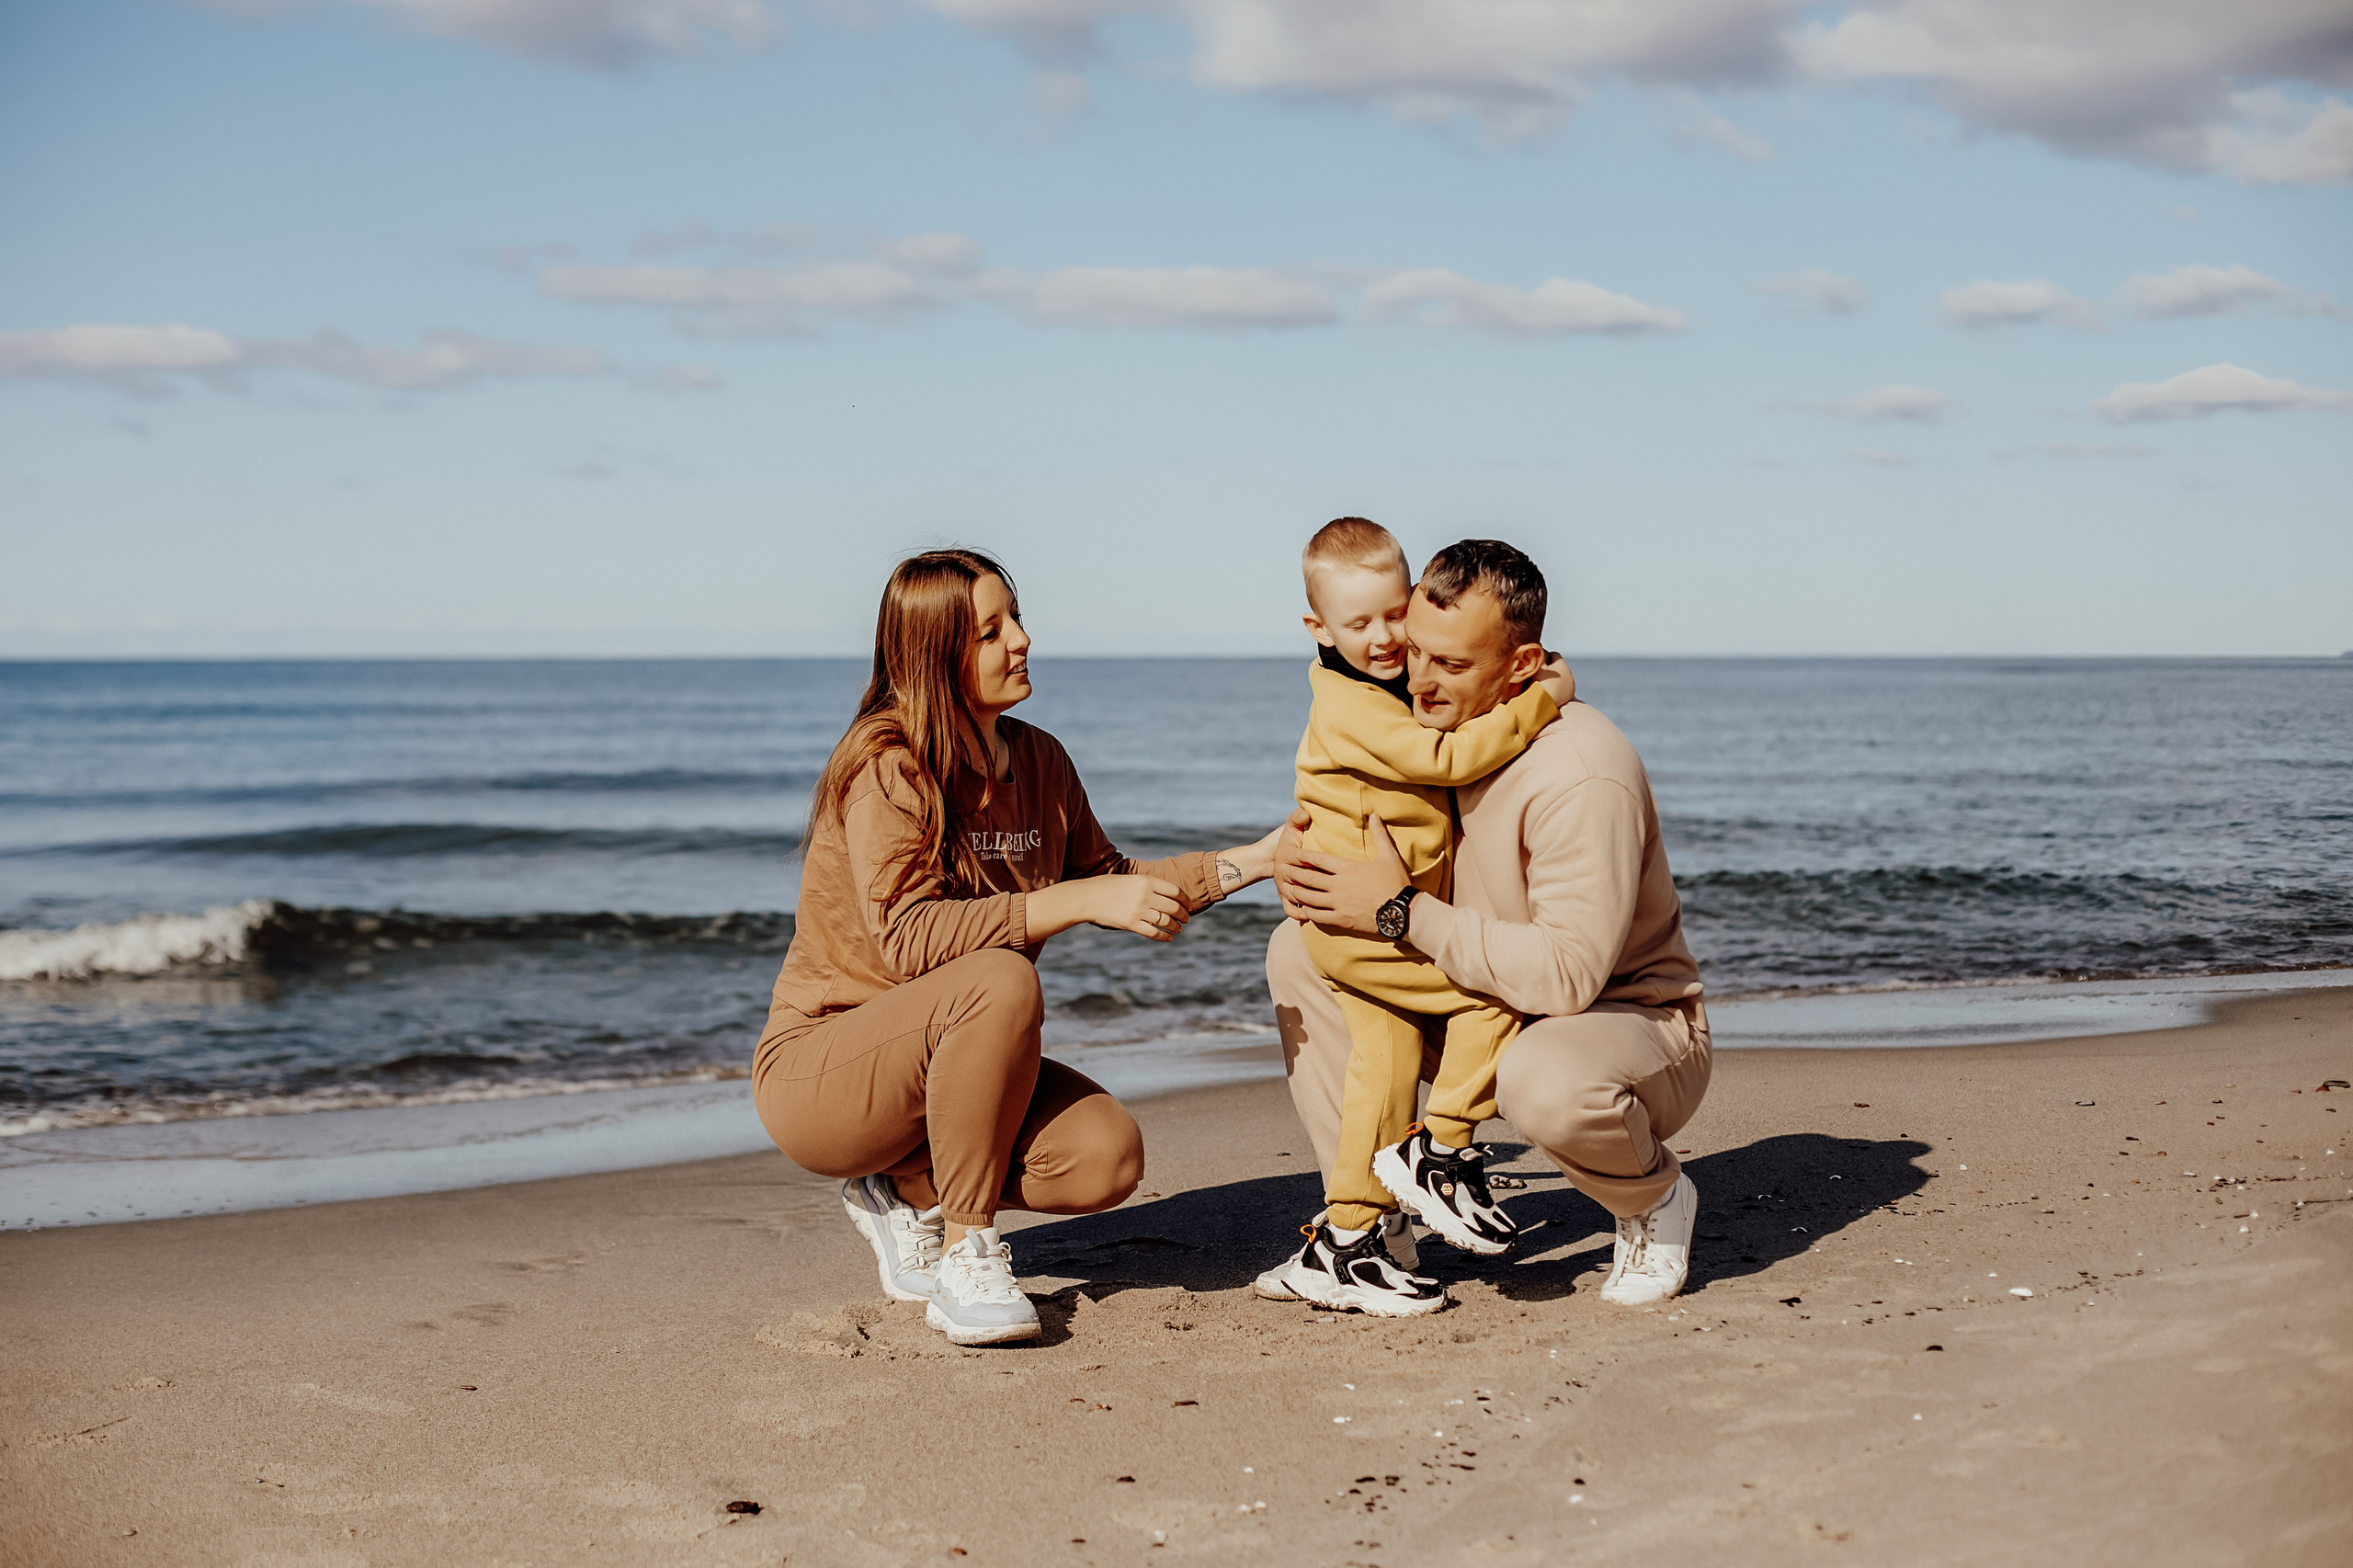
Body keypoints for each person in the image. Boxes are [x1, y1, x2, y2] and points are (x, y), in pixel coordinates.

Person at [755, 549, 1279, 1346]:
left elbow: (1115, 880)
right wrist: (1072, 901)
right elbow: (910, 938)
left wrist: (1263, 859)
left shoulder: (1039, 760)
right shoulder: (887, 767)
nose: (1022, 640)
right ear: (935, 655)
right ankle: (966, 1252)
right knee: (999, 980)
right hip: (823, 1076)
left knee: (1104, 1157)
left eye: (1017, 619)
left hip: (949, 1070)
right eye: (990, 631)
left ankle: (907, 1189)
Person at [1264, 539, 1711, 1308]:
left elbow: (1566, 979)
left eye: (1450, 664)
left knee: (1543, 1076)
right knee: (1301, 952)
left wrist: (1400, 912)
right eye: (1414, 651)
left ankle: (1652, 1197)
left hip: (1621, 1027)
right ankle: (1368, 1226)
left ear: (1522, 663)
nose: (1418, 680)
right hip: (1489, 1002)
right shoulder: (1440, 729)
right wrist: (1298, 862)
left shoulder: (1580, 772)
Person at [1274, 518, 1572, 1317]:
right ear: (1319, 629)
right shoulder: (1348, 705)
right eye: (1357, 624)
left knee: (1384, 1069)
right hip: (1354, 922)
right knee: (1492, 995)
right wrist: (1541, 702)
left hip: (1367, 917)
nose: (1382, 638)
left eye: (1393, 615)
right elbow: (1446, 757)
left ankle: (1346, 1241)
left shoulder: (1390, 684)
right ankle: (1442, 1150)